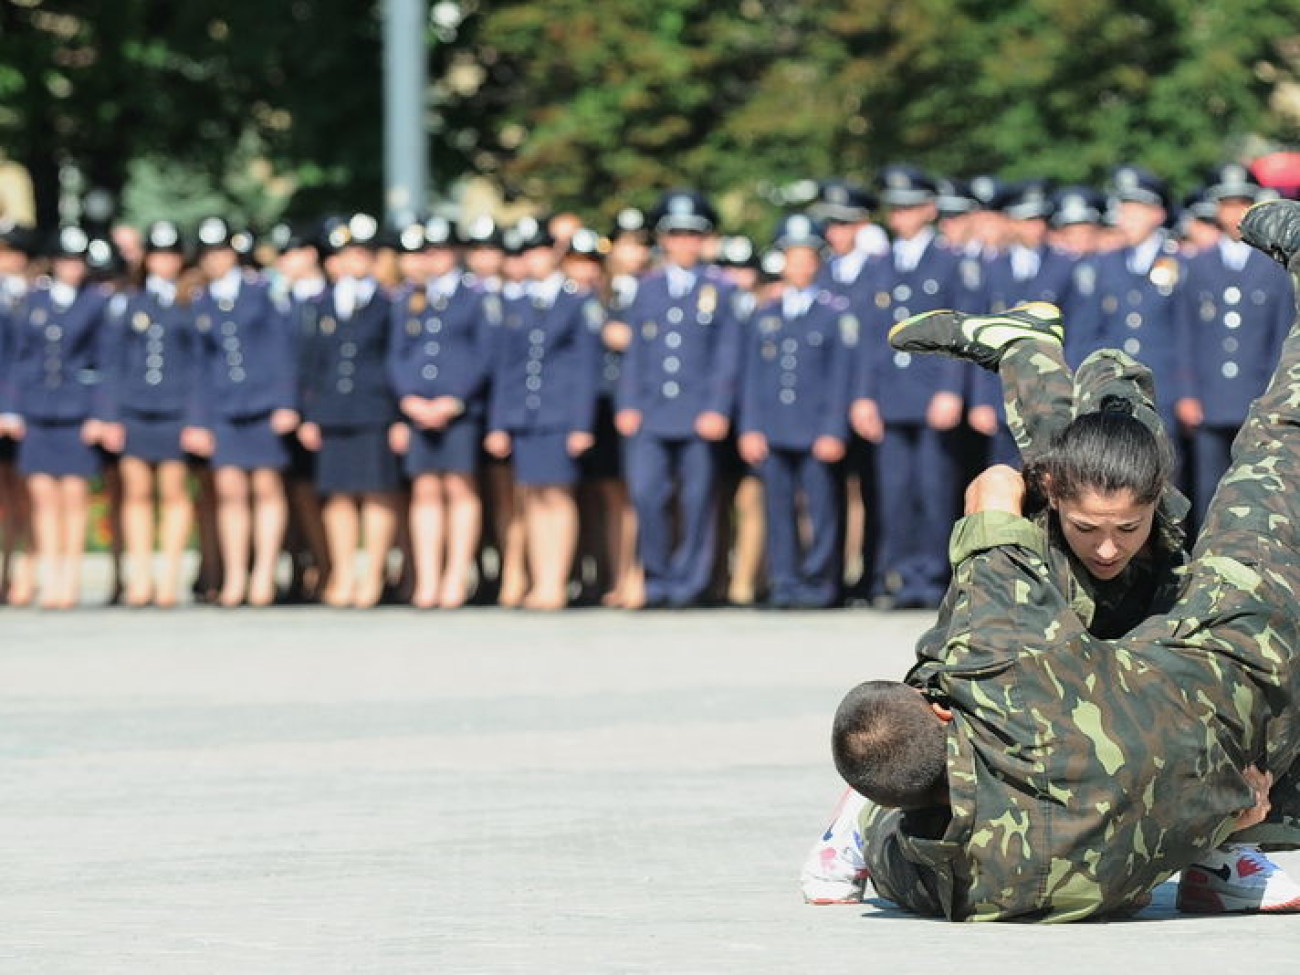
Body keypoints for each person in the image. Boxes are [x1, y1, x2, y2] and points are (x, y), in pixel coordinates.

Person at [825, 196, 1300, 921]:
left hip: (1201, 759)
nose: (1108, 542)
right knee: (1278, 444)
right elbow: (996, 487)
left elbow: (884, 839)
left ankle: (1026, 350)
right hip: (1226, 669)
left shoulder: (958, 887)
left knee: (1084, 513)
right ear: (948, 714)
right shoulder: (998, 660)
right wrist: (1234, 806)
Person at [614, 189, 742, 608]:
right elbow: (636, 353)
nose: (684, 242)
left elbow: (727, 355)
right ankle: (657, 578)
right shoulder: (646, 289)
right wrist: (628, 403)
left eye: (692, 234)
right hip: (652, 410)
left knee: (695, 499)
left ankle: (690, 582)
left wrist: (717, 408)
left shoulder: (719, 289)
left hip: (697, 411)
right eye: (676, 234)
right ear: (663, 239)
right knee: (647, 494)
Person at [484, 217, 603, 610]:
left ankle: (555, 579)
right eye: (525, 253)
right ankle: (540, 579)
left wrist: (581, 423)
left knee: (557, 496)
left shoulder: (576, 301)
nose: (532, 260)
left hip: (559, 412)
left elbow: (586, 368)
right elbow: (505, 368)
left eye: (537, 251)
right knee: (531, 497)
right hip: (524, 412)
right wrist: (499, 422)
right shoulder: (515, 303)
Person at [738, 214, 855, 608]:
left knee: (821, 508)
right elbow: (751, 377)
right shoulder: (766, 313)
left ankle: (820, 583)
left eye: (806, 257)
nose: (799, 265)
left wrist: (833, 430)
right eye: (792, 257)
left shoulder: (834, 312)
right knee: (779, 507)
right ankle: (785, 582)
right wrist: (750, 427)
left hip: (815, 427)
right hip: (774, 426)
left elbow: (841, 378)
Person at [189, 217, 300, 607]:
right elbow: (200, 366)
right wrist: (198, 420)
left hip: (262, 402)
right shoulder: (202, 300)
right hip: (224, 405)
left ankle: (265, 573)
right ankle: (236, 572)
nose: (215, 260)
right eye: (208, 254)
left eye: (221, 252)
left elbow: (281, 350)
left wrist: (286, 402)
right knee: (230, 492)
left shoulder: (262, 292)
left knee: (267, 488)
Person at [1174, 164, 1293, 525]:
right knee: (1209, 490)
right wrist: (1187, 391)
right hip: (1210, 400)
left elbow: (1281, 337)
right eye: (1227, 204)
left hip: (1257, 399)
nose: (1234, 212)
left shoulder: (1274, 267)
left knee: (1259, 493)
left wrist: (1276, 398)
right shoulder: (1198, 265)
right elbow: (1184, 332)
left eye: (1242, 202)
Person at [95, 220, 203, 607]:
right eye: (157, 254)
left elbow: (197, 366)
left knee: (173, 494)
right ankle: (140, 577)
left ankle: (168, 578)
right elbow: (114, 362)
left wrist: (195, 418)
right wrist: (109, 415)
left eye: (171, 255)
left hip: (175, 409)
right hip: (135, 409)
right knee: (136, 495)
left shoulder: (191, 300)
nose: (164, 262)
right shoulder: (129, 300)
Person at [297, 213, 403, 608]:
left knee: (377, 494)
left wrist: (397, 417)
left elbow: (394, 360)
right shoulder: (321, 304)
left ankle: (372, 574)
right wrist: (309, 413)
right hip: (333, 409)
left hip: (375, 408)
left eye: (362, 254)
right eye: (346, 254)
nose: (353, 262)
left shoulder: (388, 303)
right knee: (338, 496)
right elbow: (309, 364)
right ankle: (343, 572)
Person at [388, 215, 493, 609]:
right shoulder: (411, 298)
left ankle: (455, 577)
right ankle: (428, 578)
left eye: (441, 250)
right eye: (427, 252)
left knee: (459, 489)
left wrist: (455, 400)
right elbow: (398, 355)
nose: (434, 259)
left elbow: (483, 355)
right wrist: (409, 399)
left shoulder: (475, 296)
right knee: (425, 491)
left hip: (458, 409)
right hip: (418, 408)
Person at [6, 226, 107, 608]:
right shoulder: (34, 301)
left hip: (76, 410)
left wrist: (98, 413)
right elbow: (21, 358)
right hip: (38, 408)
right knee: (43, 498)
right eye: (66, 260)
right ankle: (51, 577)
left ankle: (71, 578)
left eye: (77, 261)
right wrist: (12, 408)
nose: (71, 268)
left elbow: (102, 362)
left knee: (74, 496)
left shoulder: (95, 303)